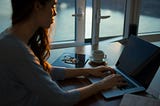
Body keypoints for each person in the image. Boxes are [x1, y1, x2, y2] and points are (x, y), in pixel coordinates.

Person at [0, 0, 126, 106]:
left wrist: (87, 71)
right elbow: (61, 99)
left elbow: (43, 70)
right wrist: (101, 85)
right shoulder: (16, 50)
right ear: (37, 6)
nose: (55, 12)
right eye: (52, 6)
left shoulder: (10, 37)